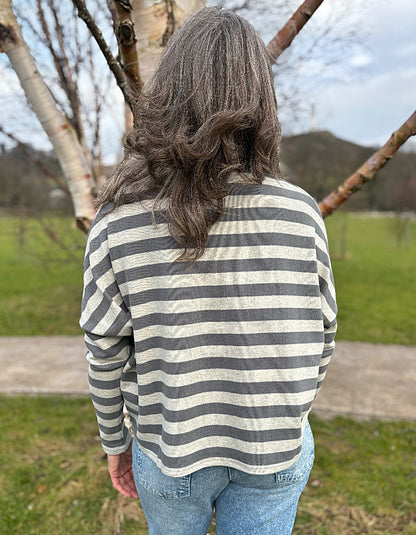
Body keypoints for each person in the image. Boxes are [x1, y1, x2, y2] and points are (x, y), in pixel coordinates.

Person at [80, 6, 337, 535]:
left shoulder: (119, 220)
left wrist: (114, 443)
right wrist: (286, 409)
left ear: (168, 94)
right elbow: (324, 332)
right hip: (274, 446)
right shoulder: (300, 212)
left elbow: (104, 350)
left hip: (170, 449)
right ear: (261, 99)